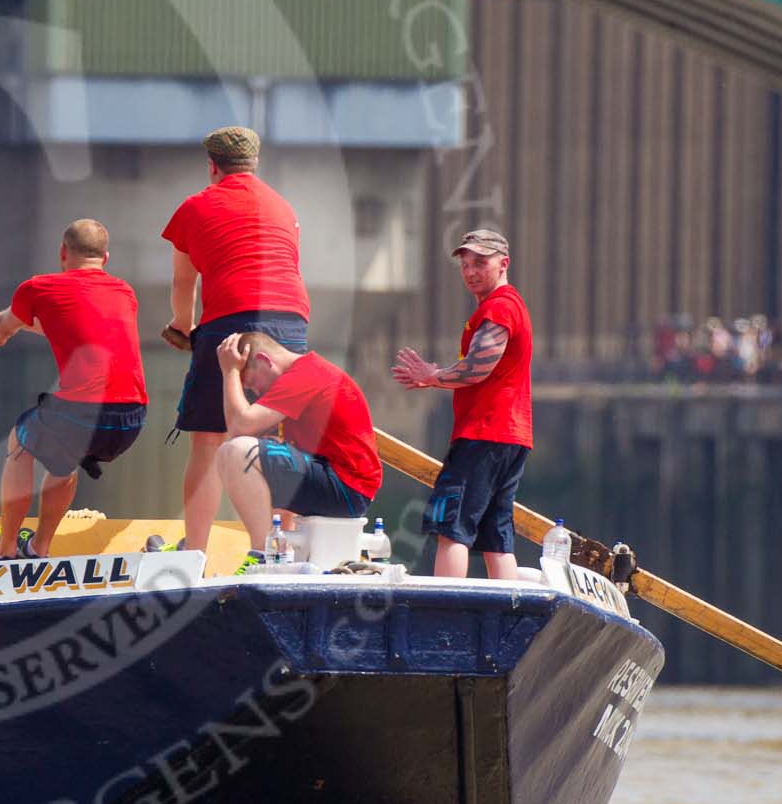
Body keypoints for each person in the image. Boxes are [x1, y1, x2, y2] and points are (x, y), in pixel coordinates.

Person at [160, 126, 311, 552]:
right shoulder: (283, 206)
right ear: (255, 163)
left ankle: (195, 553)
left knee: (208, 440)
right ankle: (280, 551)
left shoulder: (195, 207)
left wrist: (182, 326)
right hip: (291, 324)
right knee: (279, 439)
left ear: (212, 166)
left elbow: (182, 282)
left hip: (231, 317)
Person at [0, 219, 147, 562]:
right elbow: (77, 330)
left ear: (63, 252)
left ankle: (4, 549)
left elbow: (0, 326)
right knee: (63, 458)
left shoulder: (39, 288)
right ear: (105, 258)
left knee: (21, 440)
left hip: (84, 415)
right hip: (131, 419)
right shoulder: (124, 291)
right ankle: (37, 548)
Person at [392, 228, 533, 580]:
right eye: (465, 264)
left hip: (484, 434)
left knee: (450, 527)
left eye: (480, 263)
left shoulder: (500, 308)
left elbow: (476, 369)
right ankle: (506, 614)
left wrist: (431, 376)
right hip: (510, 438)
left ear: (504, 264)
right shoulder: (505, 306)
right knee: (496, 537)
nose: (470, 271)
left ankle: (447, 616)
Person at [182, 331, 379, 567]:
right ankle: (275, 553)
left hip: (346, 486)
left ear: (265, 361)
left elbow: (239, 427)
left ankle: (263, 557)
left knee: (235, 452)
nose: (257, 394)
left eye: (253, 384)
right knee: (248, 456)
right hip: (340, 481)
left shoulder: (306, 373)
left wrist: (230, 371)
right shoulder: (301, 375)